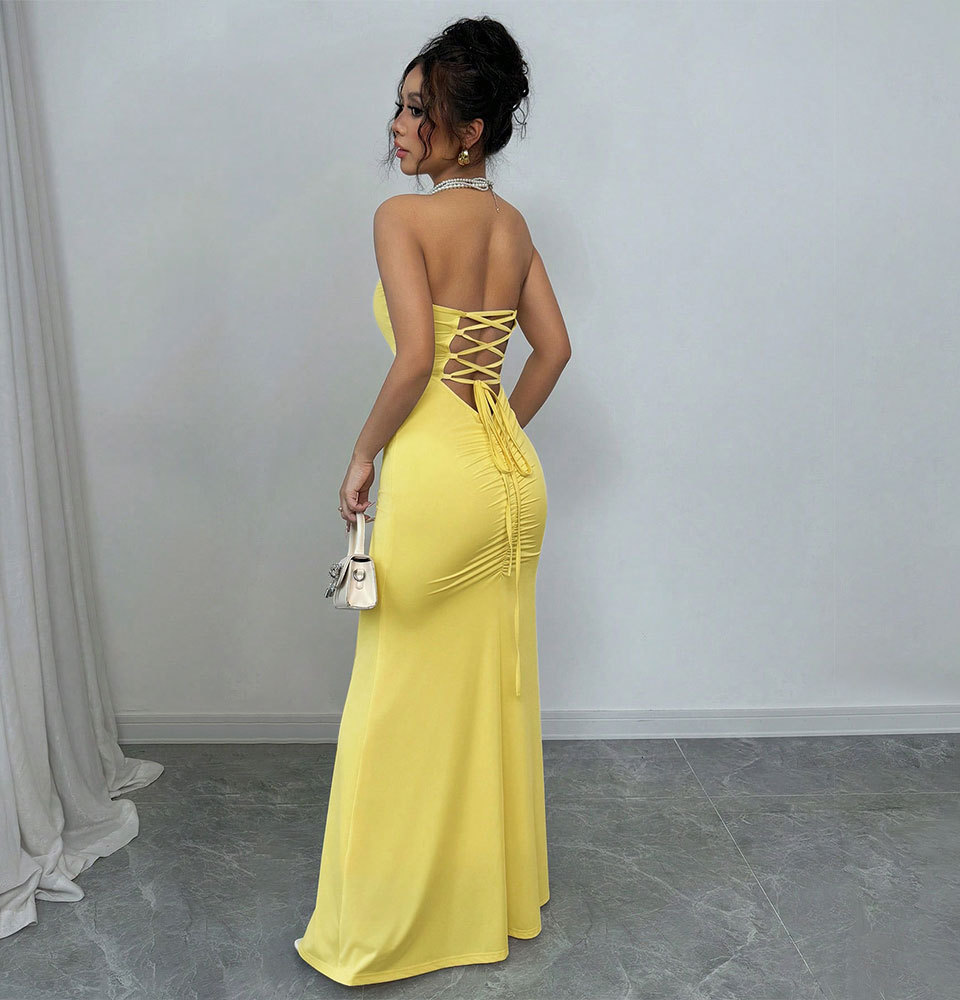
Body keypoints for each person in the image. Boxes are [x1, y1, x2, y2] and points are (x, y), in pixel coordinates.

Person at [294, 15, 572, 987]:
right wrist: (495, 437)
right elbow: (553, 351)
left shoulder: (400, 221)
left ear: (470, 131)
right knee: (487, 696)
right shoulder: (512, 227)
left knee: (390, 707)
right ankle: (488, 904)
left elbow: (417, 358)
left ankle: (379, 929)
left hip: (437, 481)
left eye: (421, 110)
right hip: (510, 483)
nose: (400, 125)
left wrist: (361, 455)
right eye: (402, 105)